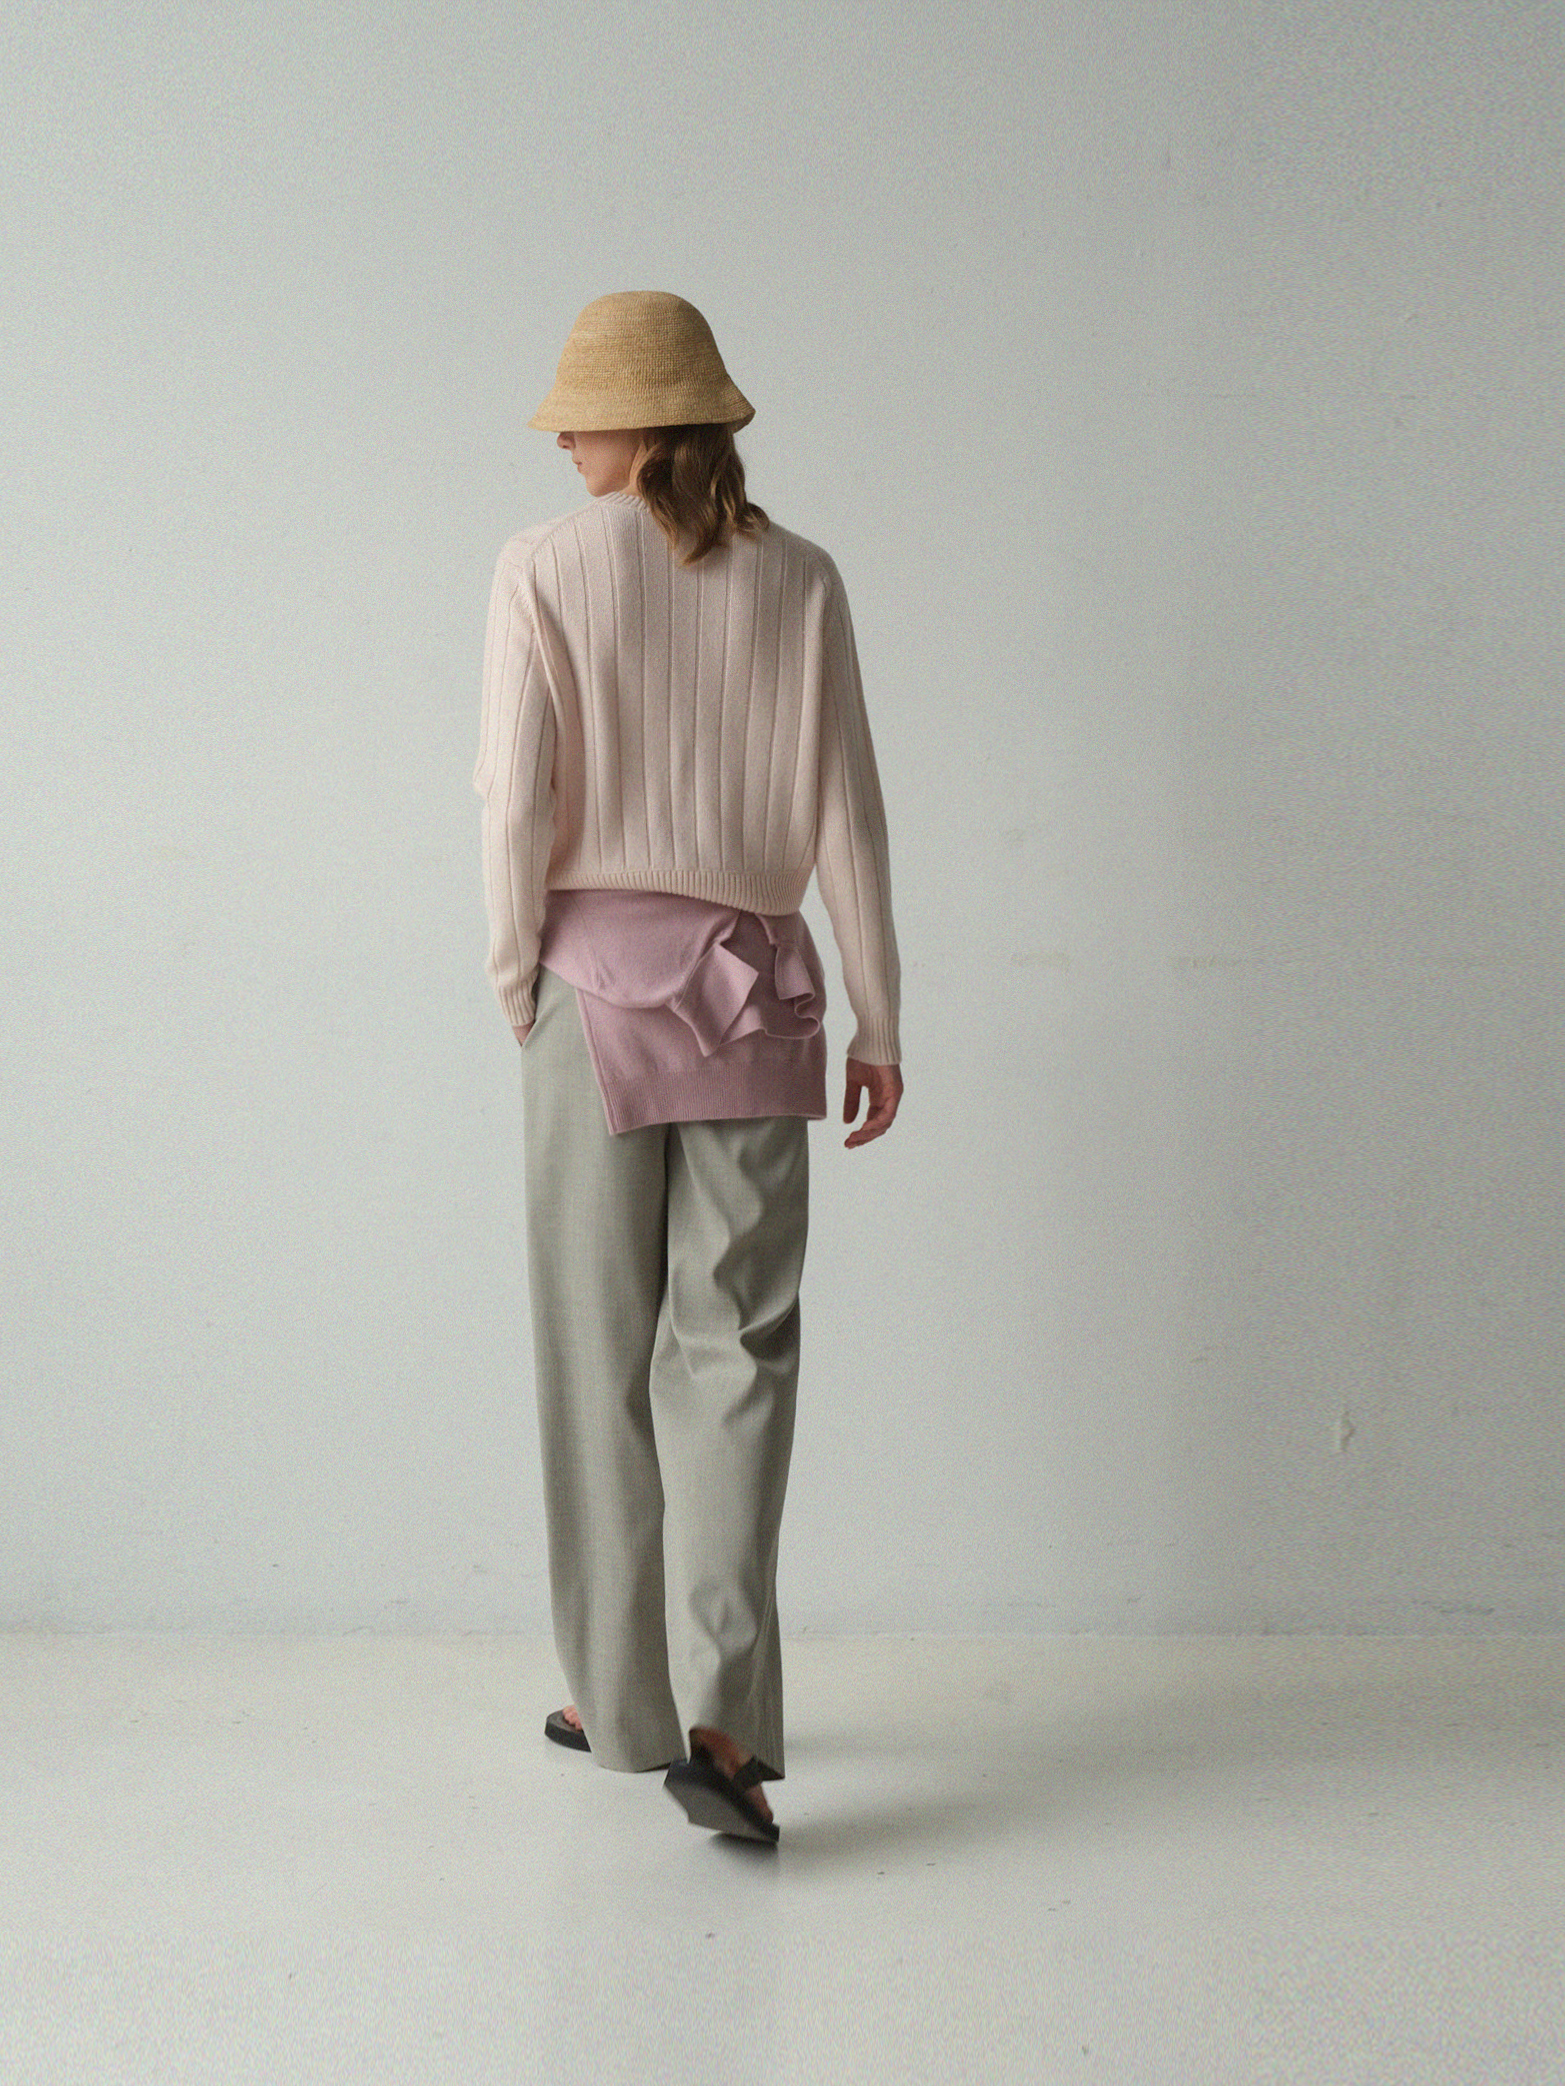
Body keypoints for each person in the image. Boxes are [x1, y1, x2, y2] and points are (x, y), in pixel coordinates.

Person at [474, 290, 904, 1846]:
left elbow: (514, 797)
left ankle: (619, 1696)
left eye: (580, 412)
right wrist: (878, 1016)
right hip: (760, 993)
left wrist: (514, 973)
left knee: (597, 1350)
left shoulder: (543, 565)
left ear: (641, 421)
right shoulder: (802, 577)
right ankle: (723, 1719)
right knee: (739, 1350)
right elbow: (847, 805)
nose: (562, 438)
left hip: (590, 996)